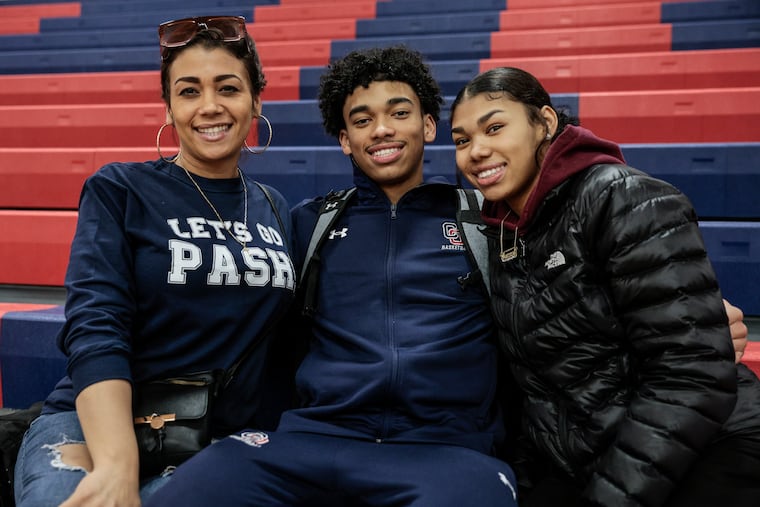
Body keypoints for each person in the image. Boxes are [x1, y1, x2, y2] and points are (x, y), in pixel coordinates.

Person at [145, 45, 520, 507]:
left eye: (398, 113)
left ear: (427, 125)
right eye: (361, 121)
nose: (381, 129)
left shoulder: (486, 220)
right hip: (312, 440)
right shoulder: (310, 222)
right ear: (345, 140)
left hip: (445, 450)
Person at [14, 16, 295, 507]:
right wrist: (118, 463)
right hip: (96, 425)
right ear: (169, 107)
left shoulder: (275, 206)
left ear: (256, 102)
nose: (209, 106)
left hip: (216, 440)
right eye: (189, 92)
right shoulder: (120, 188)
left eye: (228, 88)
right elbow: (96, 323)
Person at [449, 66, 760, 506]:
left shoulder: (621, 197)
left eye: (495, 128)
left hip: (708, 442)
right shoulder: (501, 232)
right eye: (462, 140)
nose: (477, 151)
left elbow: (691, 376)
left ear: (546, 123)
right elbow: (537, 383)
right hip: (592, 451)